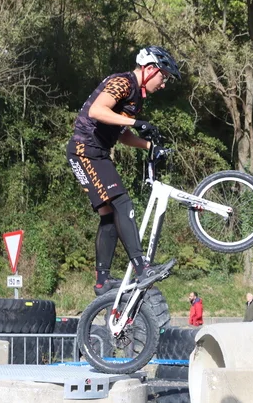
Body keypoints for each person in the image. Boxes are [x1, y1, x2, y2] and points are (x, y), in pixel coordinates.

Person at [67, 46, 181, 296]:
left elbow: (121, 135)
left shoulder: (136, 97)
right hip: (84, 150)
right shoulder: (123, 82)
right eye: (163, 77)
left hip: (97, 153)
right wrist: (136, 122)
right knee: (122, 203)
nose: (163, 85)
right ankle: (142, 269)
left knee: (109, 216)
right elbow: (97, 110)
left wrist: (150, 146)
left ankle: (102, 281)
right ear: (150, 69)